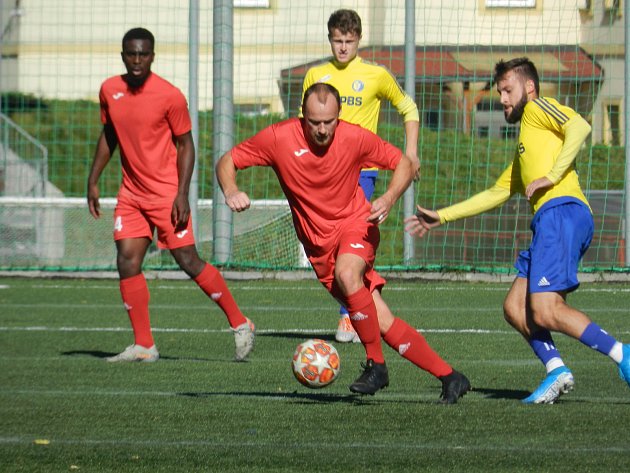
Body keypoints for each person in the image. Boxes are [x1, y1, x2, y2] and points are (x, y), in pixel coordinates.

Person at [216, 82, 470, 403]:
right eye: (314, 122)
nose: (322, 129)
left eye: (329, 121)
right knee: (382, 321)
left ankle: (376, 366)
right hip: (319, 248)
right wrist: (230, 190)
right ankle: (450, 377)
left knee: (348, 276)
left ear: (340, 116)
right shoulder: (278, 138)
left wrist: (389, 198)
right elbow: (227, 160)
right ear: (301, 117)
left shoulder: (354, 137)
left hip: (356, 226)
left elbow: (403, 163)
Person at [405, 57, 630, 403]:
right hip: (549, 221)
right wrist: (442, 216)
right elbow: (496, 192)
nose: (502, 99)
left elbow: (581, 126)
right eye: (499, 92)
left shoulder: (539, 108)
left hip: (561, 213)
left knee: (544, 310)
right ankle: (556, 369)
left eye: (508, 90)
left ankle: (623, 356)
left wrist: (552, 177)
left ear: (529, 87)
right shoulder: (527, 141)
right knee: (514, 306)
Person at [87, 27, 254, 363]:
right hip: (131, 194)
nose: (137, 60)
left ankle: (240, 322)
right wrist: (93, 179)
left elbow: (186, 145)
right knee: (127, 259)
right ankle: (144, 345)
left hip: (166, 194)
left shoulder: (170, 95)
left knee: (188, 261)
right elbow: (110, 134)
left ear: (152, 55)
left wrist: (182, 194)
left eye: (143, 54)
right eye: (131, 54)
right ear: (122, 55)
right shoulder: (110, 90)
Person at [302, 9, 420, 344]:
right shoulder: (316, 74)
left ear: (358, 40)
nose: (343, 48)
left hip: (363, 173)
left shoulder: (375, 75)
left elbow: (408, 108)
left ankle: (348, 316)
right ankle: (357, 307)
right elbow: (304, 123)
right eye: (337, 41)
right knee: (327, 244)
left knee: (352, 243)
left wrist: (410, 152)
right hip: (323, 175)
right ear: (330, 39)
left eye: (349, 41)